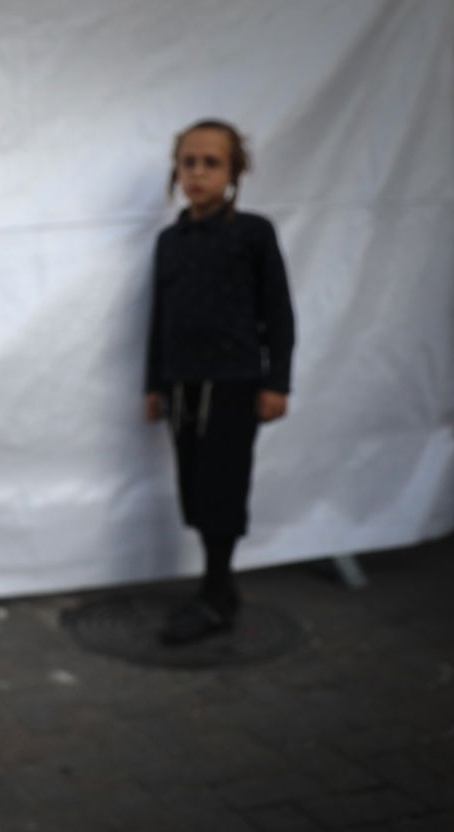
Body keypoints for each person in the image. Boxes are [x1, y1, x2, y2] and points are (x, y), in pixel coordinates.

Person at [144, 118, 295, 646]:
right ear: (176, 171)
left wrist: (277, 382)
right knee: (193, 484)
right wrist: (154, 385)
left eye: (212, 163)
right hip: (182, 386)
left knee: (222, 487)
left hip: (234, 385)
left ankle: (215, 593)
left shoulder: (253, 233)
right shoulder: (170, 241)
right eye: (189, 162)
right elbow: (160, 318)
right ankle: (221, 589)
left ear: (234, 172)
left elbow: (278, 312)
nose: (198, 172)